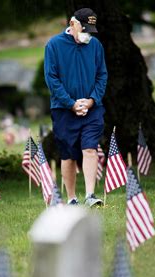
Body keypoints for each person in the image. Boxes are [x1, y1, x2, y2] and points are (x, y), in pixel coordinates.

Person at [44, 8, 107, 207]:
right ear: (73, 24)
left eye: (90, 30)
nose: (87, 34)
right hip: (63, 110)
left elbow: (102, 75)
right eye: (84, 29)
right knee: (69, 154)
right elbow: (51, 79)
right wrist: (71, 104)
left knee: (90, 148)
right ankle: (71, 198)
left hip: (92, 108)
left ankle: (90, 196)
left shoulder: (95, 45)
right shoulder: (54, 45)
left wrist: (91, 100)